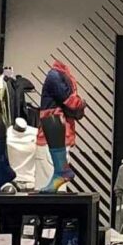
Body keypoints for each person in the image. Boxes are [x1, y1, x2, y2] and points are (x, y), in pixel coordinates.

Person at [36, 57, 84, 192]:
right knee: (56, 188)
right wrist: (82, 104)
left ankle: (61, 175)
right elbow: (73, 104)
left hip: (52, 135)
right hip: (59, 132)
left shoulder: (54, 76)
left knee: (46, 186)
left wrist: (81, 104)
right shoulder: (65, 77)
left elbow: (71, 102)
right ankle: (61, 174)